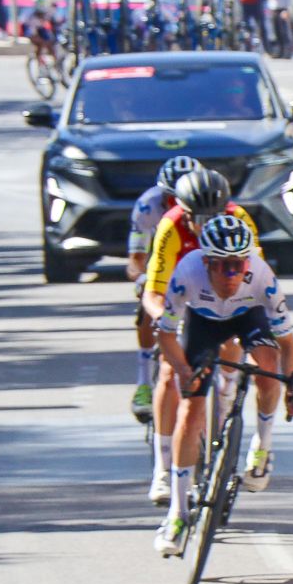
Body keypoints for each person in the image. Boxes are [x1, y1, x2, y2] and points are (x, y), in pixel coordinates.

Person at [151, 216, 293, 555]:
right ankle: (177, 514)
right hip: (202, 323)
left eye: (239, 265)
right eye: (223, 266)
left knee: (268, 369)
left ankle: (262, 446)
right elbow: (165, 334)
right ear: (207, 262)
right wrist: (183, 370)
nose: (232, 274)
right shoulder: (187, 272)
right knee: (190, 410)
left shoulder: (262, 276)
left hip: (248, 316)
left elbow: (289, 344)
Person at [140, 166, 263, 504]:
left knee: (233, 343)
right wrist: (165, 319)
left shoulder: (239, 221)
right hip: (182, 296)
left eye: (214, 216)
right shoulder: (171, 226)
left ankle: (226, 396)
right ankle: (163, 468)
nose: (206, 225)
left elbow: (256, 281)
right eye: (198, 218)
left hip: (226, 296)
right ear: (184, 212)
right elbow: (153, 293)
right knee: (170, 372)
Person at [126, 156, 201, 424]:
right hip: (162, 266)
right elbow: (136, 259)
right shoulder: (148, 205)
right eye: (171, 198)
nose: (177, 205)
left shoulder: (207, 204)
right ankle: (144, 383)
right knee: (148, 304)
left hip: (195, 264)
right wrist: (142, 280)